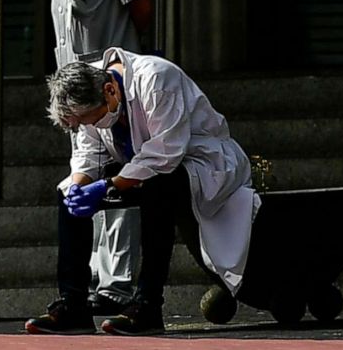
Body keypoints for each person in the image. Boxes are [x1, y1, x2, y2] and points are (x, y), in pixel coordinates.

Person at [25, 47, 261, 336]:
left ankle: (148, 306)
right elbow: (88, 153)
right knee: (67, 195)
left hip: (200, 163)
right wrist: (79, 186)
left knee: (157, 187)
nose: (92, 126)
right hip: (140, 165)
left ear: (110, 90)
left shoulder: (157, 79)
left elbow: (166, 153)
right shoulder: (91, 94)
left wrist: (108, 186)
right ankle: (73, 306)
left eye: (92, 119)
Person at [37, 0, 153, 316]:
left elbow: (140, 6)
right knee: (83, 175)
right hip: (74, 85)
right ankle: (91, 278)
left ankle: (118, 284)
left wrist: (122, 60)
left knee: (118, 178)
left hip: (109, 81)